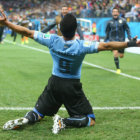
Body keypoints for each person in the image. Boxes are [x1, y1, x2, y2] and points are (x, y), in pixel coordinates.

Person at [0, 10, 139, 134]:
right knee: (90, 119)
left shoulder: (52, 40)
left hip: (54, 83)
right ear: (76, 29)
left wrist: (7, 23)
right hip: (71, 86)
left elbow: (27, 32)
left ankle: (27, 119)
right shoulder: (82, 46)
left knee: (39, 112)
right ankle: (64, 122)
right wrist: (131, 43)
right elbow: (107, 45)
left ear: (59, 28)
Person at [105, 7, 132, 74]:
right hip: (113, 40)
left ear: (118, 13)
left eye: (116, 12)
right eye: (113, 12)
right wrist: (106, 39)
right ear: (112, 13)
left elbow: (127, 29)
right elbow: (107, 31)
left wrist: (129, 37)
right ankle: (118, 68)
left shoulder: (123, 20)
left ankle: (121, 52)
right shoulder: (109, 22)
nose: (115, 13)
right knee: (115, 53)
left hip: (121, 41)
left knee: (121, 56)